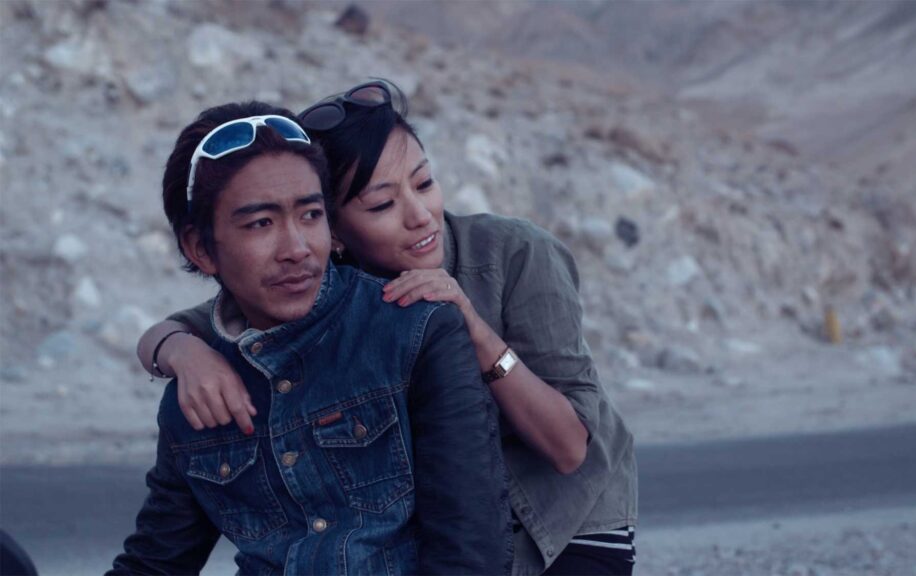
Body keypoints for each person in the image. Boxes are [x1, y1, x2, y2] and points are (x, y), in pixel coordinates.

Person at [139, 81, 638, 575]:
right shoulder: (314, 281)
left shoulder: (510, 255)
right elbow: (212, 319)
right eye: (381, 205)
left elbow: (570, 450)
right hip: (450, 521)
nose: (421, 217)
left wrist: (475, 330)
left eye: (423, 183)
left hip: (566, 517)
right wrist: (179, 349)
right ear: (336, 230)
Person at [110, 101, 511, 575]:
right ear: (201, 249)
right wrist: (176, 348)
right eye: (261, 224)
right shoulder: (197, 393)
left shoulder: (416, 331)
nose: (297, 249)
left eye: (310, 215)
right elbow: (155, 562)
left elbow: (469, 551)